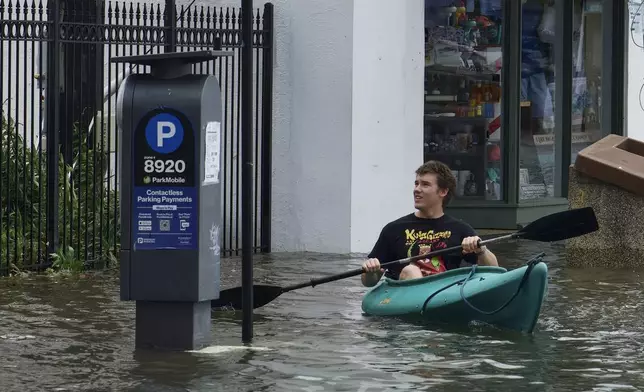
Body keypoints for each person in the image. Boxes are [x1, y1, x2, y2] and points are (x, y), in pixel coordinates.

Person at [361, 160, 498, 287]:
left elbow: (494, 272)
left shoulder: (461, 229)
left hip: (443, 292)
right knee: (410, 270)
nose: (417, 189)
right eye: (416, 184)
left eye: (425, 184)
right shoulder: (393, 229)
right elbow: (368, 283)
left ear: (443, 191)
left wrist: (481, 250)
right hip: (403, 293)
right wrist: (372, 271)